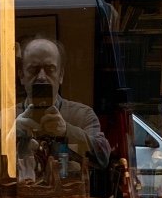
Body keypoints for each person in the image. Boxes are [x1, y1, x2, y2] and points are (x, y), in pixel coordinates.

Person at [14, 36, 110, 182]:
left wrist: (67, 131)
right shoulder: (6, 119)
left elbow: (102, 159)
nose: (41, 77)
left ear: (61, 75)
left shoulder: (82, 116)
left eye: (50, 69)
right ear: (21, 75)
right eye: (33, 69)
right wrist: (12, 135)